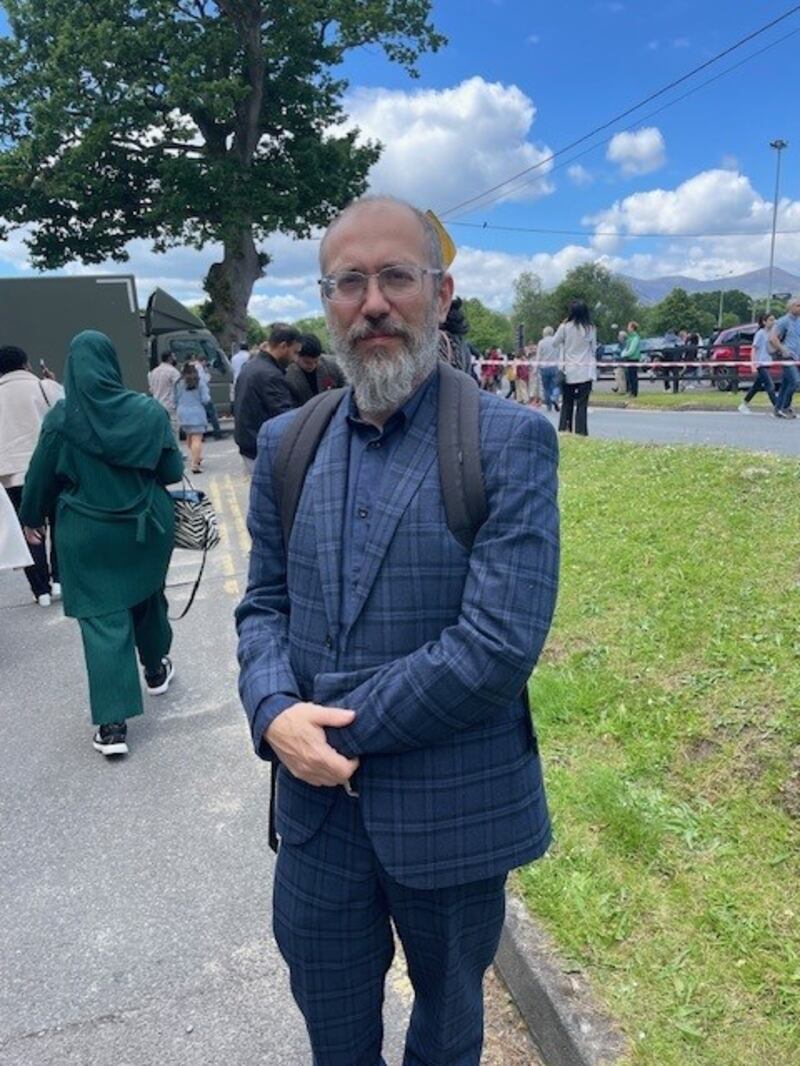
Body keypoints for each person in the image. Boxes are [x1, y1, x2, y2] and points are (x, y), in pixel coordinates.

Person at [236, 195, 559, 1066]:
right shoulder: (286, 445)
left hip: (453, 815)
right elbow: (263, 603)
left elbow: (495, 644)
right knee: (332, 1027)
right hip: (314, 825)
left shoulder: (510, 441)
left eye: (395, 278)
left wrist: (324, 725)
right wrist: (271, 708)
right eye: (348, 282)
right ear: (325, 301)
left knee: (447, 1028)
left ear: (441, 293)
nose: (371, 302)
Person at [19, 330, 183, 756]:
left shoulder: (61, 417)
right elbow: (169, 471)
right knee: (148, 597)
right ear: (112, 363)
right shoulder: (147, 411)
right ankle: (155, 668)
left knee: (103, 618)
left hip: (88, 533)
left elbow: (40, 478)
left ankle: (112, 727)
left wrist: (31, 518)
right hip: (145, 526)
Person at [0, 344, 63, 605]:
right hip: (51, 469)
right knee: (60, 524)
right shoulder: (44, 387)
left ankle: (41, 591)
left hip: (12, 475)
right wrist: (53, 383)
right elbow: (66, 417)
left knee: (29, 529)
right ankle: (60, 579)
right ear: (26, 364)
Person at [233, 323, 300, 473]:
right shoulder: (270, 375)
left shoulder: (251, 366)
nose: (295, 359)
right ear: (283, 346)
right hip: (261, 449)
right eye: (295, 352)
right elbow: (286, 417)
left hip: (248, 444)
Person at [552, 300, 597, 435]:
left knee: (567, 403)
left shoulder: (565, 327)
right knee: (582, 405)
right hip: (586, 370)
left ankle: (565, 429)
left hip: (569, 370)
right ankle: (581, 432)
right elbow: (593, 348)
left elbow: (554, 343)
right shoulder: (591, 328)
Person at [285, 332, 346, 406]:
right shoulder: (287, 375)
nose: (312, 366)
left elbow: (346, 387)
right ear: (297, 355)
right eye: (307, 362)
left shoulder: (334, 364)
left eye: (316, 362)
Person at [175, 361, 210, 474]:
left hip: (182, 412)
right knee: (197, 439)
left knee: (189, 437)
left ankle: (195, 456)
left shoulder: (179, 383)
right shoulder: (199, 382)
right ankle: (195, 464)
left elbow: (175, 398)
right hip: (196, 412)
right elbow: (206, 399)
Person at [739, 314, 777, 414]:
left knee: (757, 386)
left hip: (767, 362)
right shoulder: (760, 333)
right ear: (764, 322)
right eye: (771, 320)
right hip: (761, 364)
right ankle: (777, 407)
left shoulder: (771, 334)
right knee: (770, 386)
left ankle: (744, 404)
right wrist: (753, 364)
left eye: (774, 320)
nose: (773, 322)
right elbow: (754, 349)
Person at [769, 296, 800, 419]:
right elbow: (773, 337)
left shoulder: (798, 321)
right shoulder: (783, 321)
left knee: (786, 384)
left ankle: (778, 408)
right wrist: (783, 349)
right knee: (795, 381)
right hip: (788, 357)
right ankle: (785, 407)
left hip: (797, 357)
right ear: (791, 307)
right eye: (798, 305)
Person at [147, 351, 181, 439]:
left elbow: (151, 389)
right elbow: (179, 388)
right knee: (173, 432)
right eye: (174, 356)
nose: (175, 358)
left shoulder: (154, 372)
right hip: (169, 405)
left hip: (157, 405)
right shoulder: (173, 372)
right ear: (170, 358)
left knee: (161, 433)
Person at [537, 326, 560, 411]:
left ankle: (548, 405)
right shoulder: (556, 342)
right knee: (555, 385)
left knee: (546, 387)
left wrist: (537, 366)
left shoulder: (541, 343)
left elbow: (539, 356)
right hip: (555, 366)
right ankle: (554, 398)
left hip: (544, 367)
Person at [621, 321, 642, 397]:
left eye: (629, 326)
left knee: (633, 376)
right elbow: (627, 347)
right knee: (629, 376)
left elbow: (632, 349)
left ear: (632, 328)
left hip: (634, 358)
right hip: (629, 358)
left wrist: (624, 354)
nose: (627, 328)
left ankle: (634, 392)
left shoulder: (636, 338)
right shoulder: (630, 337)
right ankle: (630, 391)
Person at [611, 329, 628, 394]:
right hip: (617, 362)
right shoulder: (620, 344)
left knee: (620, 376)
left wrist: (617, 353)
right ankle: (617, 388)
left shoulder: (624, 344)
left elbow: (622, 353)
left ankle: (622, 390)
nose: (618, 337)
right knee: (617, 375)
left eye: (619, 336)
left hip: (621, 362)